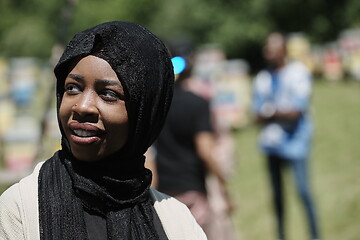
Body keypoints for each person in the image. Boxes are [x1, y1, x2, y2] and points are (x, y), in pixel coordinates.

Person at [0, 21, 207, 240]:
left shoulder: (176, 223)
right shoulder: (21, 211)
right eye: (72, 88)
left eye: (108, 94)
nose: (83, 106)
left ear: (144, 114)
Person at [153, 47, 232, 235]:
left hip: (163, 194)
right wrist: (223, 188)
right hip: (192, 191)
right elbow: (205, 151)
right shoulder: (198, 104)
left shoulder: (155, 108)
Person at [252, 32, 319, 240]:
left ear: (283, 49)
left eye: (272, 47)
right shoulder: (262, 78)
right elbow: (255, 115)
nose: (268, 52)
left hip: (295, 144)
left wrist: (270, 113)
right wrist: (278, 113)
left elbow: (297, 111)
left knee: (303, 192)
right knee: (278, 198)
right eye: (266, 47)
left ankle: (315, 235)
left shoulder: (297, 73)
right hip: (272, 145)